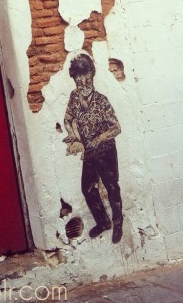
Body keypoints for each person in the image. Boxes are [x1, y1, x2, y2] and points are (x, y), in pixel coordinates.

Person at [63, 53, 123, 244]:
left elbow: (116, 127)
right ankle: (103, 222)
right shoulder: (73, 98)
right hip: (89, 150)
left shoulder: (101, 100)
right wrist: (74, 136)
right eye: (79, 81)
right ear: (75, 80)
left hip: (105, 149)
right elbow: (68, 119)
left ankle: (118, 222)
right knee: (87, 188)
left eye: (87, 79)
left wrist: (99, 138)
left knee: (112, 187)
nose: (84, 84)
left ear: (92, 76)